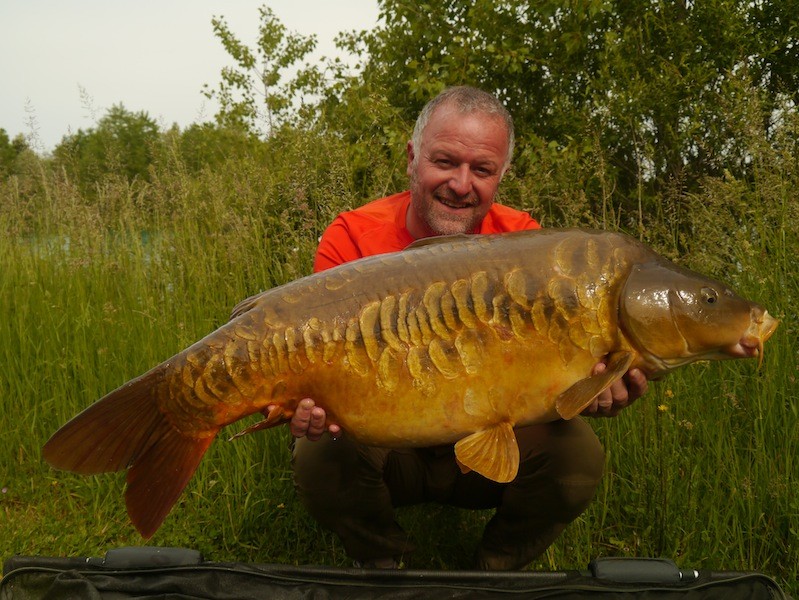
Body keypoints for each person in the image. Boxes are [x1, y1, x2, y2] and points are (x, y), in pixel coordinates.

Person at [281, 86, 648, 570]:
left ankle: (493, 572)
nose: (460, 184)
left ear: (501, 175)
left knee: (576, 459)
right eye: (445, 161)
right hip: (389, 447)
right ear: (412, 158)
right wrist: (304, 406)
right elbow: (311, 369)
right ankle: (384, 563)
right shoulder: (352, 237)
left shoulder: (528, 245)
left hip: (488, 444)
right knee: (318, 452)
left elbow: (554, 379)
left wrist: (595, 389)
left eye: (481, 170)